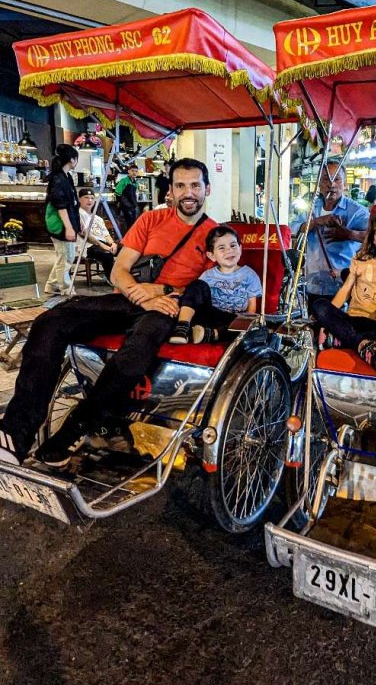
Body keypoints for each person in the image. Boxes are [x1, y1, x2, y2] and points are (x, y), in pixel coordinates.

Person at [0, 159, 217, 469]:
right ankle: (15, 433)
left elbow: (211, 288)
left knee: (135, 354)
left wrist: (163, 291)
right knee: (50, 321)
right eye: (180, 185)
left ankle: (76, 427)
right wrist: (141, 293)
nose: (188, 193)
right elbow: (119, 270)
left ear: (207, 189)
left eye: (195, 185)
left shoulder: (215, 235)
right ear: (170, 190)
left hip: (169, 308)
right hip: (129, 297)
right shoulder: (151, 220)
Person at [313, 207, 376, 375]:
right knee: (320, 306)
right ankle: (363, 345)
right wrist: (328, 318)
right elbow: (345, 290)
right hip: (354, 319)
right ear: (372, 237)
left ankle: (343, 338)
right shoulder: (361, 259)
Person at [292, 160, 370, 309]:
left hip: (343, 286)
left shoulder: (357, 212)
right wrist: (316, 222)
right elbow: (294, 228)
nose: (331, 184)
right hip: (313, 285)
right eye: (326, 179)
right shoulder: (312, 209)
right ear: (319, 184)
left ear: (344, 183)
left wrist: (349, 234)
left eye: (337, 179)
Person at [169, 225, 262, 345]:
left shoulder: (249, 275)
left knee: (254, 326)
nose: (229, 250)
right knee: (197, 285)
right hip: (209, 315)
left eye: (233, 245)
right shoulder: (207, 275)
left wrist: (248, 323)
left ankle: (209, 334)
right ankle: (182, 328)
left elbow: (251, 309)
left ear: (240, 248)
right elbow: (195, 296)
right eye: (221, 248)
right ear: (211, 255)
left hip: (232, 320)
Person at [44, 143, 80, 296]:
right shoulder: (58, 179)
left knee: (65, 256)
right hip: (60, 224)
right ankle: (66, 288)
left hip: (67, 222)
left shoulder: (66, 176)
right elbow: (61, 205)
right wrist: (69, 227)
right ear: (72, 160)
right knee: (66, 257)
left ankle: (51, 285)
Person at [77, 187, 119, 281]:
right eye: (86, 197)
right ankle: (112, 279)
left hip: (103, 243)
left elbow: (106, 234)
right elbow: (85, 235)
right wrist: (103, 246)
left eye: (92, 198)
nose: (89, 200)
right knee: (106, 253)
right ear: (79, 199)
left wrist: (113, 244)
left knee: (127, 249)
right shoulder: (78, 214)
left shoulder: (98, 218)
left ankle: (125, 276)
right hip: (88, 245)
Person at [115, 163, 140, 229]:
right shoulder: (123, 181)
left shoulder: (135, 182)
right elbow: (117, 192)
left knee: (133, 225)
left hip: (133, 206)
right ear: (129, 171)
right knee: (127, 225)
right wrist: (121, 203)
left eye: (136, 171)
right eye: (132, 171)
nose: (134, 173)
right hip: (125, 206)